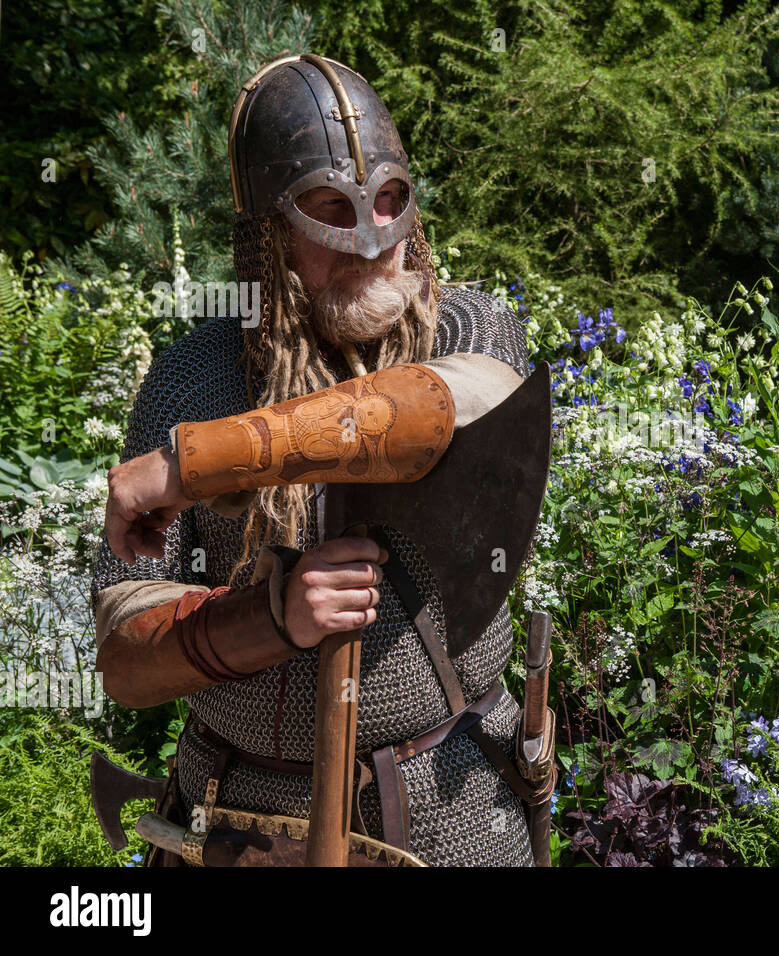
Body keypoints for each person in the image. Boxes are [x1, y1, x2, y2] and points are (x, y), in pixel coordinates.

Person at [90, 54, 543, 866]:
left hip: (452, 798)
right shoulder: (196, 379)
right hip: (243, 818)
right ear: (269, 237)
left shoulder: (470, 331)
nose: (372, 239)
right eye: (330, 208)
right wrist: (272, 617)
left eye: (390, 200)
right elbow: (126, 658)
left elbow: (454, 404)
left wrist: (195, 465)